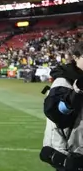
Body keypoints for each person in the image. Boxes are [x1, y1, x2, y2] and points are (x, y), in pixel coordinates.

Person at [41, 41, 83, 170]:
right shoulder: (64, 80)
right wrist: (75, 94)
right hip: (69, 153)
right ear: (76, 57)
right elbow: (56, 112)